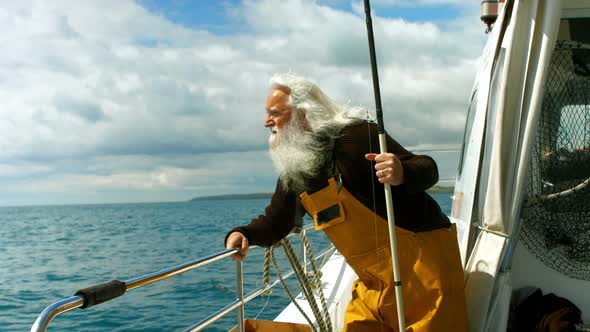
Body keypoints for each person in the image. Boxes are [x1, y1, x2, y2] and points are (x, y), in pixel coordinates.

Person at [225, 74, 468, 332]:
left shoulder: (356, 136)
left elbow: (428, 168)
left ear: (303, 113)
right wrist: (244, 234)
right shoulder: (295, 170)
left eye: (275, 113)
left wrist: (401, 172)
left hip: (426, 271)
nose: (267, 122)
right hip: (374, 283)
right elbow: (277, 221)